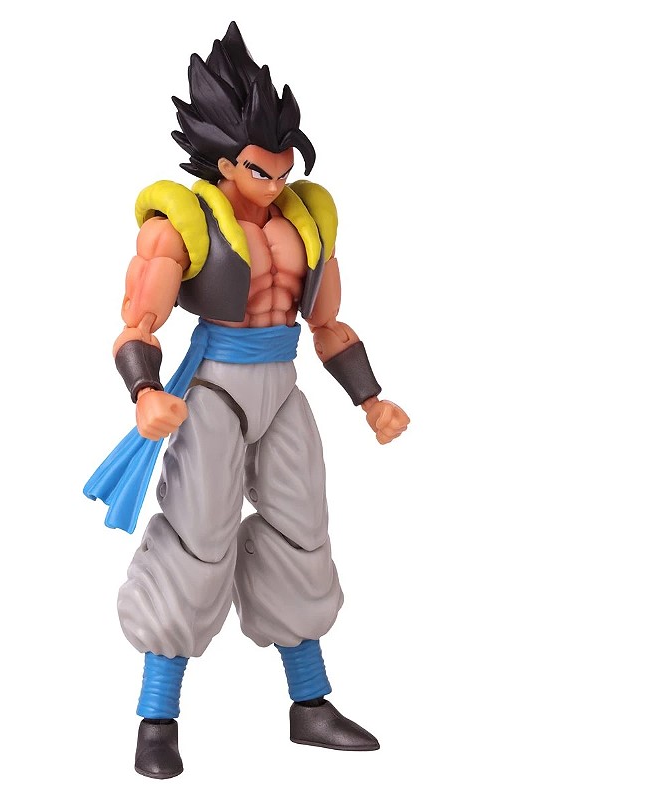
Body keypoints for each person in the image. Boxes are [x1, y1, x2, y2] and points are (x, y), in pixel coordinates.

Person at [85, 21, 410, 779]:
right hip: (213, 389)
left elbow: (327, 324)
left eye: (286, 165)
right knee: (198, 540)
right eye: (263, 169)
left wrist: (370, 399)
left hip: (282, 387)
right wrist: (144, 392)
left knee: (303, 533)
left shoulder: (306, 218)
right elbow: (137, 326)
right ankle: (157, 717)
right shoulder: (181, 222)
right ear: (226, 161)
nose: (278, 181)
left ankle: (310, 703)